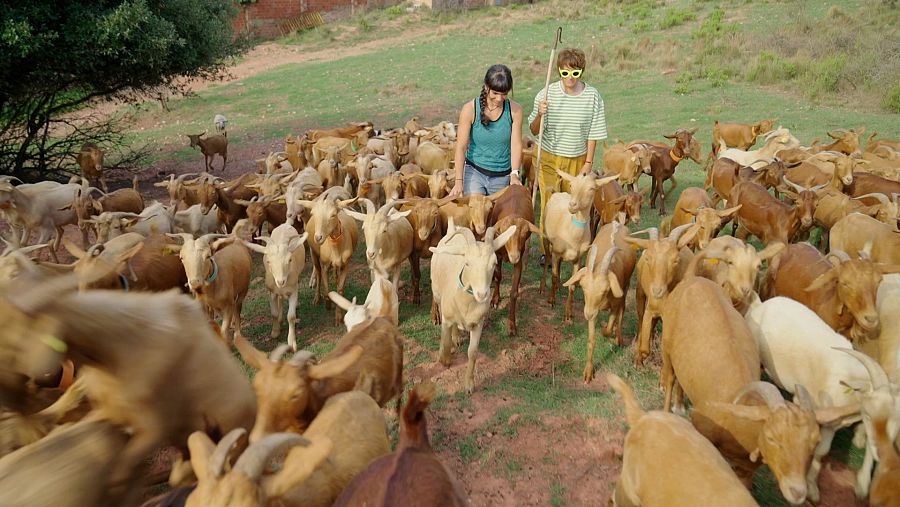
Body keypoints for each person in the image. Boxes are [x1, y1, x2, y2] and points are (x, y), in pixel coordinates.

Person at [528, 48, 608, 262]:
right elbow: (534, 129)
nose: (570, 78)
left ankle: (575, 244)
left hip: (577, 159)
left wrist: (589, 162)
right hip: (548, 157)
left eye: (575, 73)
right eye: (565, 73)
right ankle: (548, 249)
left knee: (576, 203)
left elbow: (594, 132)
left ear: (581, 72)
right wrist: (540, 113)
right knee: (549, 202)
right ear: (559, 72)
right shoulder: (546, 93)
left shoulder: (593, 96)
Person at [450, 64, 523, 197]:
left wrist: (514, 174)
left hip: (502, 176)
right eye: (495, 93)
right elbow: (461, 147)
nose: (499, 99)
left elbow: (516, 144)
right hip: (475, 173)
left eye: (504, 94)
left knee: (499, 216)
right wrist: (458, 181)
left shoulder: (515, 111)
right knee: (477, 213)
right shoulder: (470, 109)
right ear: (486, 87)